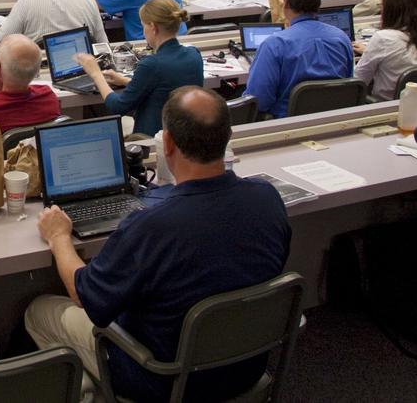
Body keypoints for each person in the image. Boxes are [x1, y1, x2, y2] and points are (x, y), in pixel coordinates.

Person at [25, 86, 290, 401]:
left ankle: (92, 395)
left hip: (163, 379)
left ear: (166, 143)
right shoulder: (268, 199)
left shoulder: (151, 227)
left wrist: (58, 238)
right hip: (248, 365)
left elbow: (85, 295)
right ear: (227, 137)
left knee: (39, 311)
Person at [76, 0, 203, 135]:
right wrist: (125, 81)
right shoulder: (194, 55)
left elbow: (117, 107)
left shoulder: (152, 64)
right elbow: (165, 86)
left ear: (153, 27)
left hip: (152, 140)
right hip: (185, 136)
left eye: (143, 26)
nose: (143, 32)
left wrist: (96, 74)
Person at [244, 0, 354, 119]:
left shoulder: (274, 44)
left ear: (286, 3)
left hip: (285, 127)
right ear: (318, 4)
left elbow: (258, 100)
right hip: (333, 123)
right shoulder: (342, 39)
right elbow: (348, 84)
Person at [352, 0, 417, 100]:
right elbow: (402, 56)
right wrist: (369, 52)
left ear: (389, 9)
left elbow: (359, 80)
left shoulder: (383, 38)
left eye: (382, 6)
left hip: (386, 105)